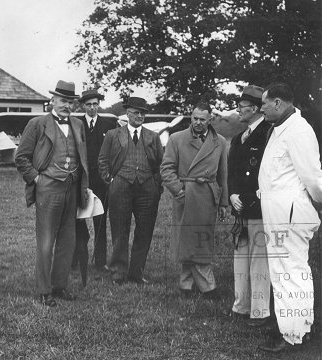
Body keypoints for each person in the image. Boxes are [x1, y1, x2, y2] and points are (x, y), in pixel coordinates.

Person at [257, 83, 322, 353]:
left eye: (264, 103)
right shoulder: (280, 128)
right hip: (278, 212)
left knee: (291, 272)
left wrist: (318, 203)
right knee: (284, 272)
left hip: (291, 214)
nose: (261, 109)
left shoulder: (299, 130)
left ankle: (295, 333)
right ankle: (296, 327)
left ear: (278, 103)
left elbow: (313, 178)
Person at [15, 80, 89, 307]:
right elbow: (21, 157)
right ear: (53, 100)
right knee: (46, 241)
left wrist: (83, 185)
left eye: (71, 101)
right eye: (63, 100)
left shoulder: (78, 124)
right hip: (48, 189)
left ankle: (60, 286)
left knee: (68, 240)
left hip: (72, 188)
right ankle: (44, 290)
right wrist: (37, 179)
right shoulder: (38, 123)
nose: (67, 105)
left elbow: (83, 157)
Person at [161, 101, 228, 299]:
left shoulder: (220, 141)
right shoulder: (176, 138)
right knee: (188, 239)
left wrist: (223, 202)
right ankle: (207, 285)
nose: (198, 123)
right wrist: (180, 191)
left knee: (201, 239)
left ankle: (186, 284)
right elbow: (166, 169)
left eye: (202, 119)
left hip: (208, 195)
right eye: (194, 118)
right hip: (187, 195)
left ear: (210, 119)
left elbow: (223, 174)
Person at [98, 96, 163, 285]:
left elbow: (161, 163)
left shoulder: (153, 136)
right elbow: (102, 160)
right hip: (120, 187)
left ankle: (137, 272)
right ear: (127, 114)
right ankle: (118, 272)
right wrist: (110, 180)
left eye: (143, 113)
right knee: (120, 229)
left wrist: (156, 185)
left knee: (145, 231)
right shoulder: (113, 135)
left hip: (147, 189)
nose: (140, 116)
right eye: (136, 112)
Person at [226, 85, 271, 325]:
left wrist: (250, 199)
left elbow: (267, 173)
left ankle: (260, 310)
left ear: (254, 109)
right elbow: (232, 171)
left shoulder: (268, 134)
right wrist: (232, 195)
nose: (238, 111)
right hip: (240, 209)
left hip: (258, 208)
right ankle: (241, 306)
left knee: (259, 260)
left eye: (242, 107)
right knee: (240, 258)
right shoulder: (237, 138)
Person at [73, 89, 116, 275]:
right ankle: (75, 259)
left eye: (95, 104)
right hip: (81, 179)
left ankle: (100, 261)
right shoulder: (76, 123)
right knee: (77, 220)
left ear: (99, 105)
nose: (92, 108)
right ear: (83, 105)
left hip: (101, 181)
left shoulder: (108, 124)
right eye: (88, 104)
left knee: (100, 220)